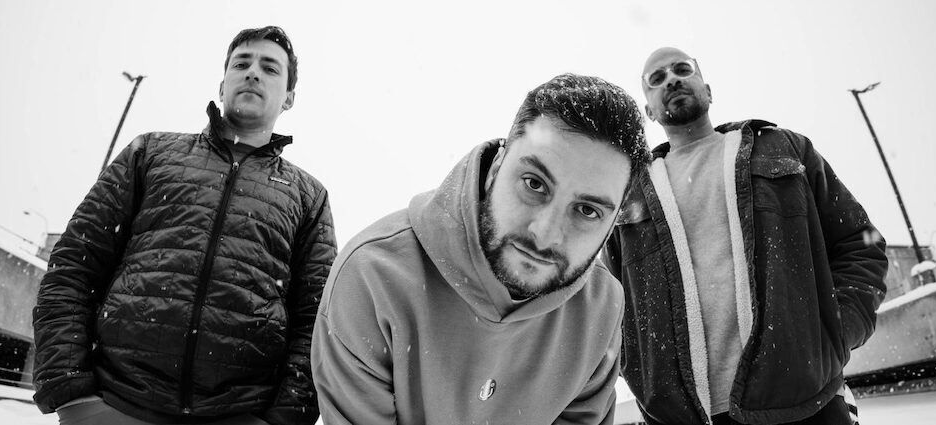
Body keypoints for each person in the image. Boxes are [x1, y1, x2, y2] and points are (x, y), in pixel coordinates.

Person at [32, 26, 335, 425]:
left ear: (289, 97)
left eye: (270, 68)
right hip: (116, 405)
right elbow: (74, 266)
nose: (253, 73)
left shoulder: (308, 196)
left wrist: (283, 419)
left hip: (238, 415)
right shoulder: (150, 153)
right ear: (222, 85)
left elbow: (318, 321)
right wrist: (71, 392)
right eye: (241, 64)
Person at [311, 73, 651, 424]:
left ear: (613, 223)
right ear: (496, 169)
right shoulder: (371, 277)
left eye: (587, 211)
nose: (545, 234)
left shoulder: (601, 308)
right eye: (534, 184)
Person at [605, 47, 888, 425]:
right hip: (684, 416)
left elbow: (859, 242)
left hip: (806, 400)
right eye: (657, 79)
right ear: (649, 111)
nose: (671, 79)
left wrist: (834, 332)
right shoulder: (629, 195)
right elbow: (608, 304)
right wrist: (641, 372)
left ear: (708, 90)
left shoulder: (784, 147)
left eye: (682, 70)